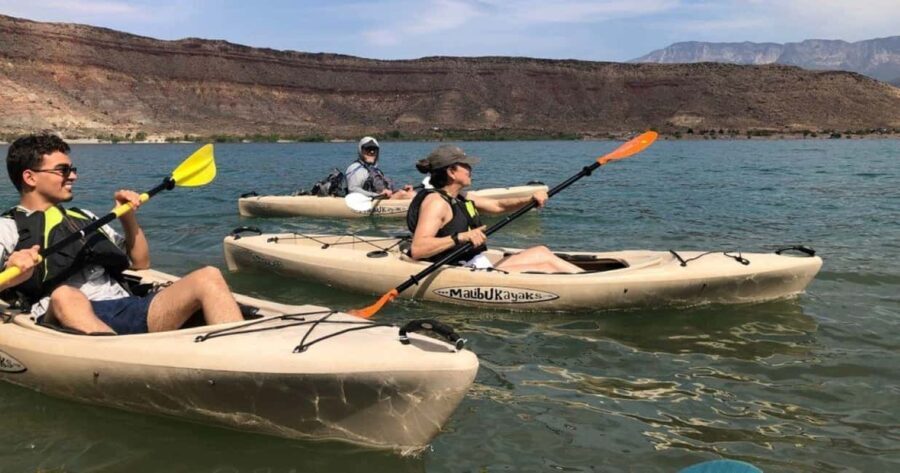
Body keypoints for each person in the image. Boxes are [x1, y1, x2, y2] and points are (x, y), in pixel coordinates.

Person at [0, 134, 244, 335]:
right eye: (63, 170)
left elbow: (141, 263)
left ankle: (240, 354)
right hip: (64, 315)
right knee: (65, 295)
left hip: (126, 306)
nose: (73, 176)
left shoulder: (83, 216)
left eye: (72, 169)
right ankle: (123, 358)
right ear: (30, 177)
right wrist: (13, 275)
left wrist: (127, 215)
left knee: (209, 277)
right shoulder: (7, 227)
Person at [407, 145, 583, 273]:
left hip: (473, 263)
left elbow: (498, 206)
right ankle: (587, 284)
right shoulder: (436, 203)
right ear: (451, 172)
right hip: (458, 271)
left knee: (541, 252)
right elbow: (418, 249)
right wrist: (461, 237)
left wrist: (530, 199)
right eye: (466, 165)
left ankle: (585, 278)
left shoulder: (462, 197)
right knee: (546, 264)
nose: (470, 169)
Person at [345, 136, 416, 200]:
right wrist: (377, 195)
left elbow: (385, 189)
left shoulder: (375, 170)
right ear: (361, 151)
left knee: (411, 193)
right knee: (404, 195)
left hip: (381, 199)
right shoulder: (355, 168)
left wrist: (403, 189)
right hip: (370, 201)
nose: (372, 152)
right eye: (368, 149)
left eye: (374, 149)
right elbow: (353, 190)